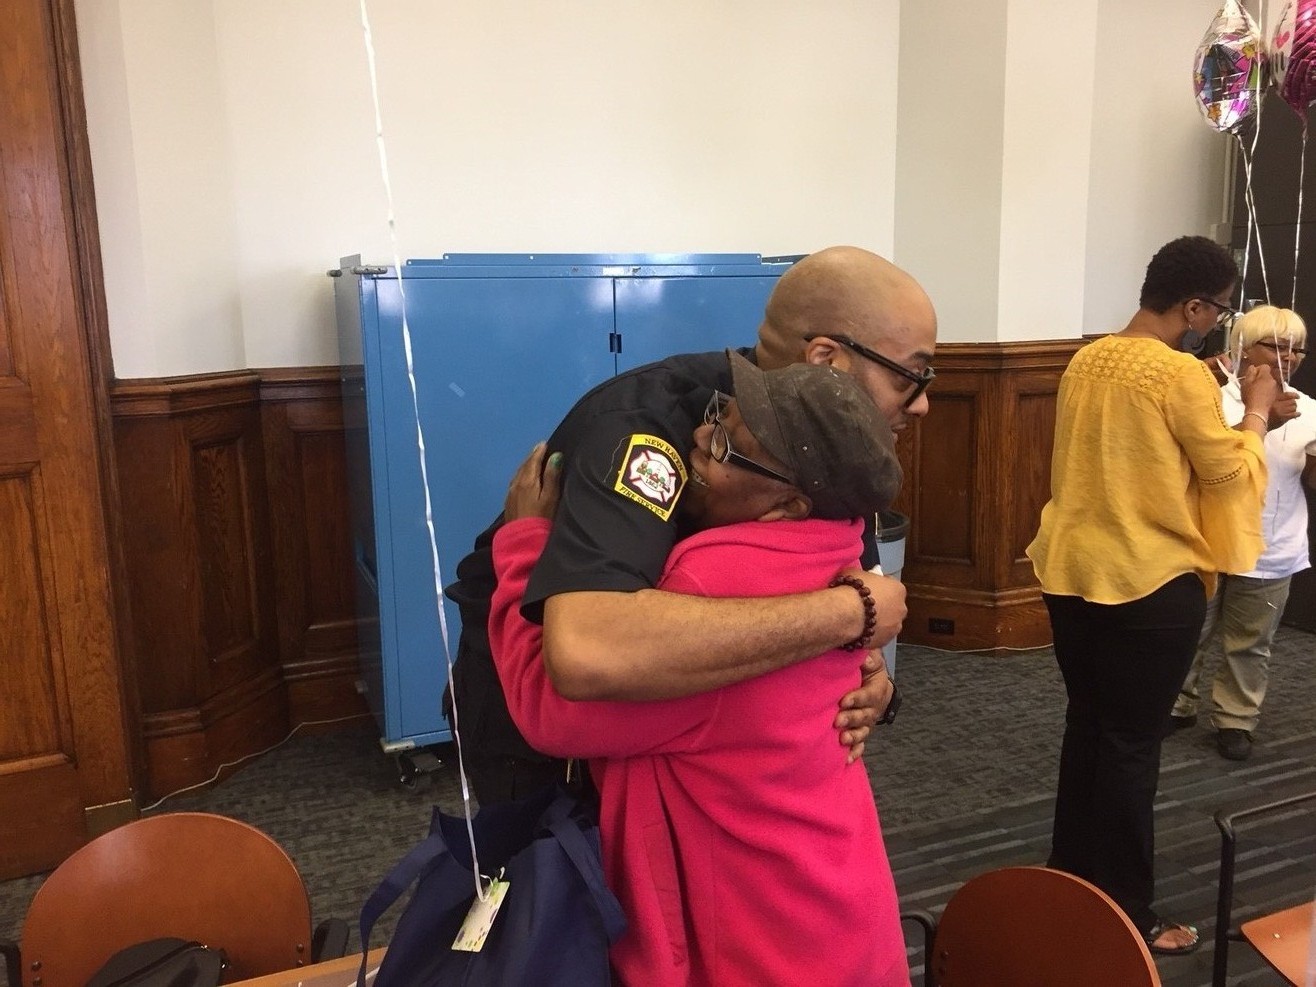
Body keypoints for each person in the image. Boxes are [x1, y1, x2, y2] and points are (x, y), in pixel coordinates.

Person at [444, 246, 938, 803]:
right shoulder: (644, 430)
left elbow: (837, 573)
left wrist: (867, 677)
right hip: (544, 733)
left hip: (698, 748)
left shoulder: (837, 449)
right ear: (827, 358)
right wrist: (852, 613)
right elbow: (588, 654)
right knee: (559, 881)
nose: (921, 405)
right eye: (911, 376)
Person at [489, 354, 910, 986]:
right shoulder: (838, 551)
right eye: (716, 417)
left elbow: (551, 708)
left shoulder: (714, 585)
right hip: (837, 915)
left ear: (787, 506)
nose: (694, 442)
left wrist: (524, 545)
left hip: (760, 950)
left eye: (724, 446)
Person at [1025, 235, 1282, 955]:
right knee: (1132, 751)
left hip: (1072, 575)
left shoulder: (1088, 357)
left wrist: (1204, 388)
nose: (1218, 322)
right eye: (1219, 311)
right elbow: (1228, 474)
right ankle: (1126, 917)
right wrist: (1258, 411)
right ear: (1193, 305)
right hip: (1148, 583)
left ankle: (1068, 884)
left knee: (1090, 735)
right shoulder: (1180, 377)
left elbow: (1141, 436)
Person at [1171, 305, 1316, 760]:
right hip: (1207, 542)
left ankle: (1236, 719)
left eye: (1298, 349)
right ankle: (1177, 704)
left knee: (1251, 644)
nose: (1288, 357)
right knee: (1188, 632)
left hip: (1273, 549)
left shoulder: (1309, 410)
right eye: (1275, 345)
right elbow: (1203, 465)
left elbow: (1309, 480)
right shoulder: (1210, 398)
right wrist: (1259, 415)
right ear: (1242, 347)